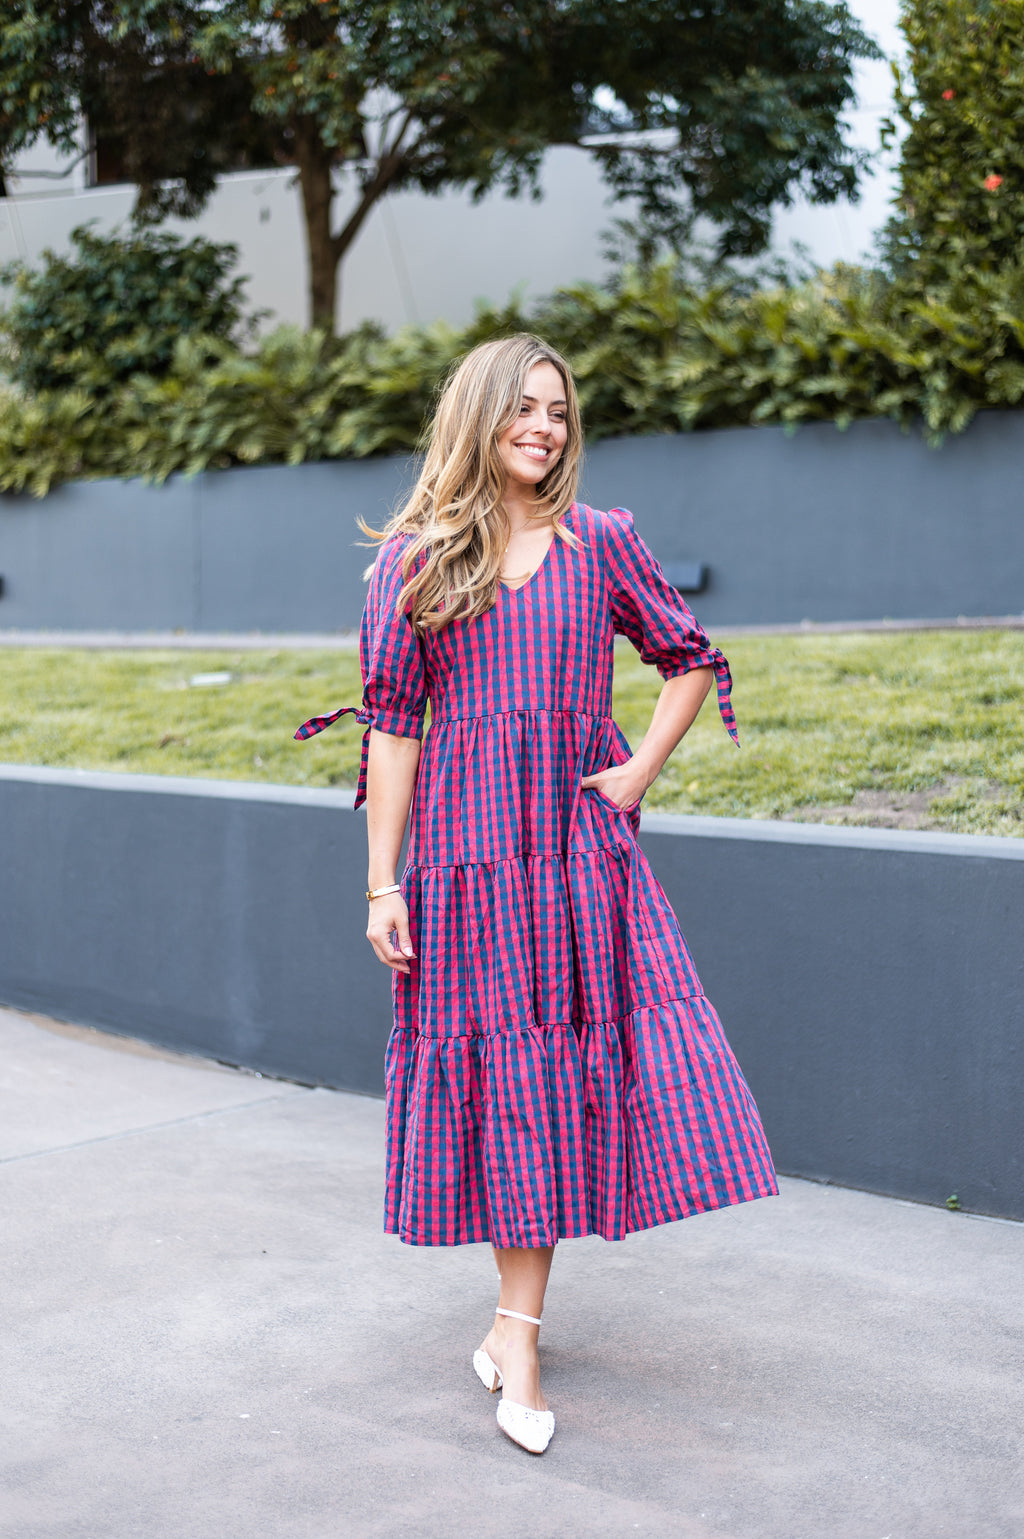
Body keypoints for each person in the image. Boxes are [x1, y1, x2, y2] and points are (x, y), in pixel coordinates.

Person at [296, 334, 777, 1456]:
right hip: (465, 865)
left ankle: (517, 1328)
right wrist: (381, 885)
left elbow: (689, 656)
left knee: (557, 1076)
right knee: (510, 1082)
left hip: (573, 855)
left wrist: (638, 768)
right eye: (524, 408)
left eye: (558, 410)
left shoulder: (601, 542)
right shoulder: (415, 560)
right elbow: (396, 731)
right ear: (479, 417)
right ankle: (515, 1329)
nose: (545, 428)